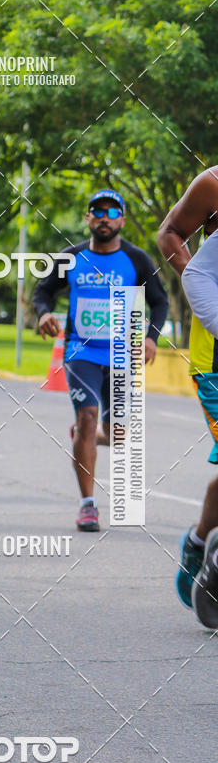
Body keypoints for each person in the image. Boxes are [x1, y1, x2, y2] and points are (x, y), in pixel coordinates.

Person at [34, 189, 168, 532]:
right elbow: (43, 290)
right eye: (98, 211)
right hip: (82, 352)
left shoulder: (136, 260)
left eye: (112, 212)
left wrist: (151, 339)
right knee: (89, 415)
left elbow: (159, 301)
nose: (105, 217)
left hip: (121, 354)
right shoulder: (71, 256)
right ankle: (88, 505)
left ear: (121, 219)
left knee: (118, 435)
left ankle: (84, 434)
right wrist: (44, 313)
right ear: (88, 218)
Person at [157, 167, 218, 627]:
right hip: (213, 353)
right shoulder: (213, 183)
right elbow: (171, 232)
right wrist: (202, 290)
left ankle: (201, 542)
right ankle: (202, 546)